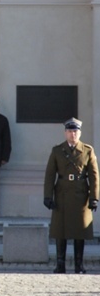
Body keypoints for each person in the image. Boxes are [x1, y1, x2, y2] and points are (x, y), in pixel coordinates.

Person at [43, 117, 99, 274]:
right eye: (69, 131)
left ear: (79, 133)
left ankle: (79, 265)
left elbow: (94, 176)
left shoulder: (87, 150)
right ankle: (60, 264)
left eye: (75, 131)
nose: (72, 134)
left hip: (80, 195)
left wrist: (94, 198)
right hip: (62, 194)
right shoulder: (57, 150)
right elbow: (49, 175)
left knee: (79, 231)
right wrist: (47, 196)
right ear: (65, 133)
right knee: (60, 230)